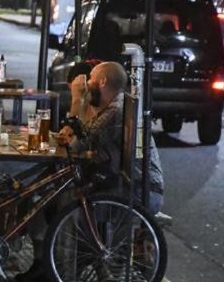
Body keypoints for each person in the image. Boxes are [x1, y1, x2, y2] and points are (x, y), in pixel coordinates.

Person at [55, 61, 167, 223]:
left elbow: (73, 147)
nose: (86, 84)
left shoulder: (116, 111)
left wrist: (77, 100)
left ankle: (87, 247)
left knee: (69, 207)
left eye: (90, 78)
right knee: (67, 195)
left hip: (141, 192)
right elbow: (83, 139)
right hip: (130, 186)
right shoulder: (114, 107)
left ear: (102, 81)